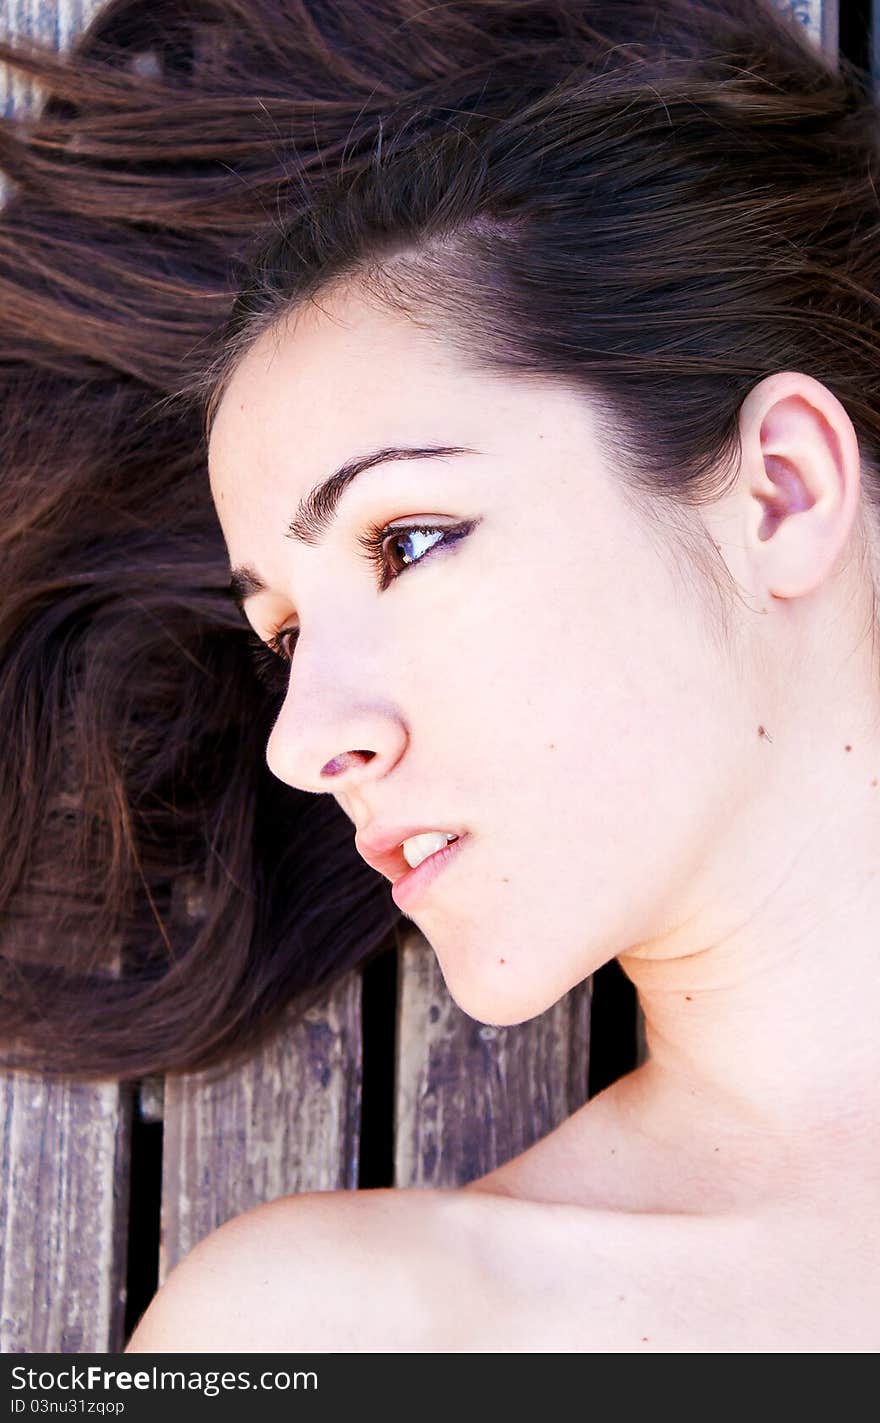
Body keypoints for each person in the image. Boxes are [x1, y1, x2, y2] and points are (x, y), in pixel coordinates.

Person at [1, 0, 877, 1351]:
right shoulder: (327, 1341)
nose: (301, 740)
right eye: (284, 633)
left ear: (778, 492)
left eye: (406, 541)